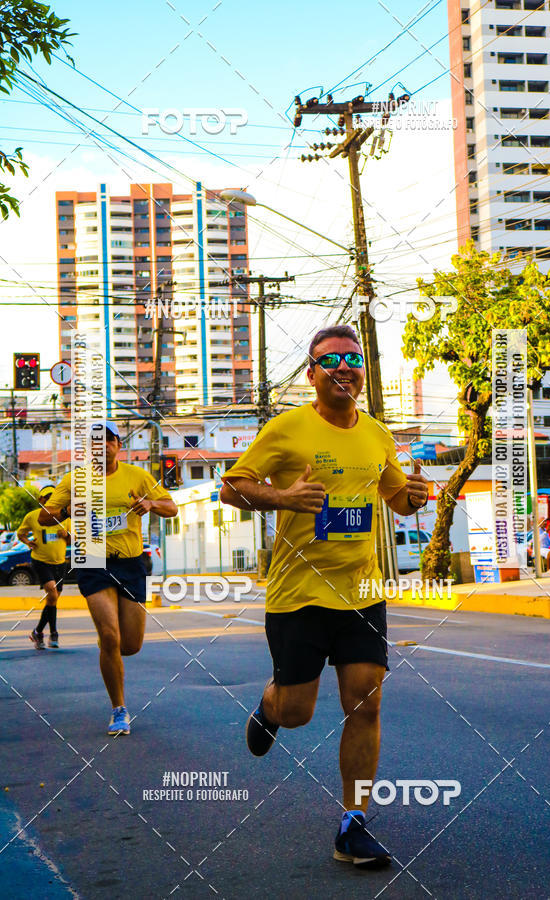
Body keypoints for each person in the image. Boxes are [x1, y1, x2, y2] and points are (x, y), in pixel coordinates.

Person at [221, 325, 428, 869]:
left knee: (367, 699)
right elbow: (232, 485)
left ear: (362, 372)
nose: (344, 366)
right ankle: (270, 704)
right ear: (311, 374)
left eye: (353, 358)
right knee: (298, 713)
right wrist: (282, 495)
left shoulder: (378, 434)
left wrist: (413, 495)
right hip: (299, 594)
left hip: (361, 589)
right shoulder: (287, 429)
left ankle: (351, 825)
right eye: (330, 359)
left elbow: (397, 501)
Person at [39, 422, 178, 735]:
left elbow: (172, 508)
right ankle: (119, 710)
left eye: (109, 440)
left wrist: (151, 503)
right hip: (93, 563)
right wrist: (69, 510)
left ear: (118, 445)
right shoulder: (75, 479)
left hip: (130, 564)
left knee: (130, 645)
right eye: (96, 442)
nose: (103, 446)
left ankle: (108, 643)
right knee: (112, 636)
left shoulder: (137, 476)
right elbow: (43, 516)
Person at [17, 486, 71, 649]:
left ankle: (38, 632)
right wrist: (27, 542)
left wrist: (66, 536)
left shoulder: (65, 518)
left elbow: (71, 541)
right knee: (52, 593)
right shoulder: (32, 516)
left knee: (52, 600)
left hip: (59, 562)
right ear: (40, 500)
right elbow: (21, 533)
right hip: (40, 561)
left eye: (53, 497)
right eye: (47, 497)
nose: (50, 500)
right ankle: (54, 633)